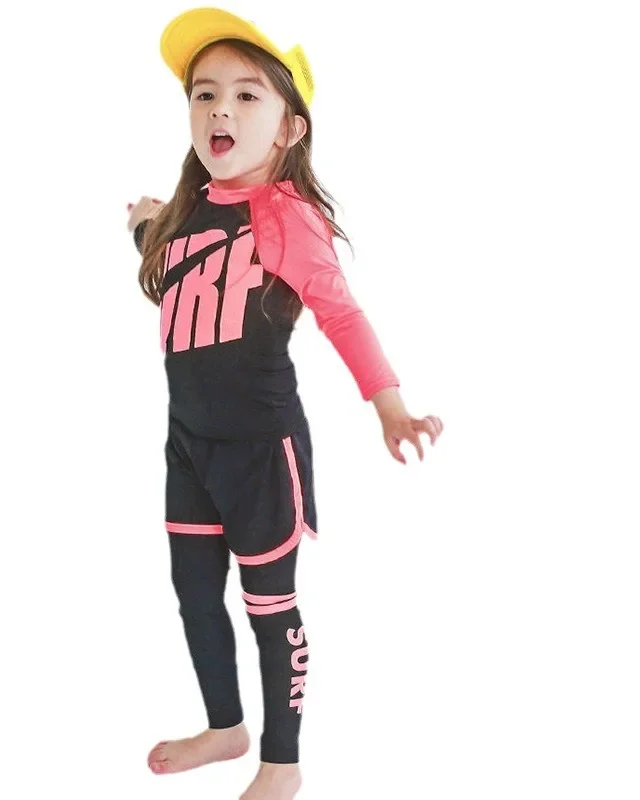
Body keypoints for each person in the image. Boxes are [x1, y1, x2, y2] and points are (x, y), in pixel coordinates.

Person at [126, 8, 444, 799]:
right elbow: (172, 261)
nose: (220, 110)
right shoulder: (188, 209)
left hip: (260, 453)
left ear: (289, 130)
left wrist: (390, 407)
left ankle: (283, 762)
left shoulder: (287, 219)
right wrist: (142, 224)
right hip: (187, 446)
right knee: (195, 594)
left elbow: (342, 314)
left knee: (270, 608)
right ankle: (226, 729)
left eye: (246, 95)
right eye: (204, 94)